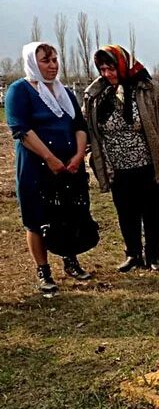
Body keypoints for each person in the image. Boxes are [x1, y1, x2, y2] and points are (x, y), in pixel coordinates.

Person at [84, 45, 159, 272]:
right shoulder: (96, 95)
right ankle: (133, 254)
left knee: (152, 212)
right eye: (102, 69)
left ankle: (154, 256)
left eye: (111, 68)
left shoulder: (147, 88)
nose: (107, 74)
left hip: (150, 165)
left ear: (122, 65)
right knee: (125, 212)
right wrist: (92, 154)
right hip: (117, 169)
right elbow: (88, 127)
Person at [5, 42, 93, 293]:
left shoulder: (64, 92)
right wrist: (49, 158)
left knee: (67, 214)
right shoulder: (19, 91)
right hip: (36, 165)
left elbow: (78, 125)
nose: (52, 65)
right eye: (45, 60)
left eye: (54, 59)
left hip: (68, 165)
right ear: (33, 62)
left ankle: (70, 259)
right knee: (36, 218)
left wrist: (77, 155)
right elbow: (21, 130)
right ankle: (43, 271)